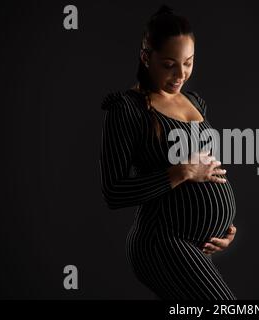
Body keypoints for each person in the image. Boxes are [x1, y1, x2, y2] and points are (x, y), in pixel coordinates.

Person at [99, 4, 238, 300]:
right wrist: (181, 172)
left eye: (188, 62)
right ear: (146, 57)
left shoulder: (194, 101)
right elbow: (114, 192)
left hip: (196, 245)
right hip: (161, 241)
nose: (181, 74)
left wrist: (222, 228)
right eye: (169, 64)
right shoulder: (126, 109)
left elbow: (207, 174)